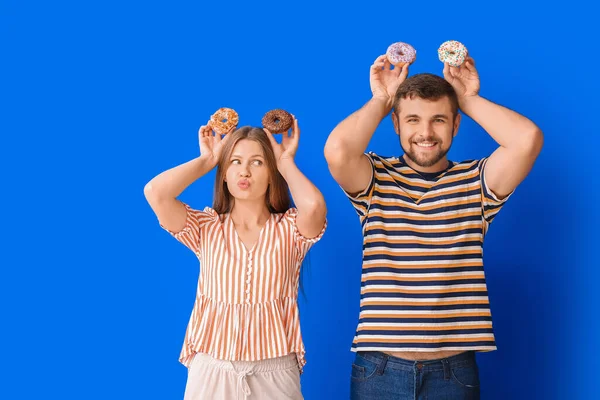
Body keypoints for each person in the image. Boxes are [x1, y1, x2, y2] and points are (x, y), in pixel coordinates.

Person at [324, 53, 543, 399]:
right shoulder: (375, 178)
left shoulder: (475, 182)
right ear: (396, 124)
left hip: (452, 374)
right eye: (412, 120)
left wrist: (468, 99)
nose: (425, 133)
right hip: (379, 370)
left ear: (455, 125)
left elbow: (527, 139)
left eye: (439, 120)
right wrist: (382, 99)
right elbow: (337, 151)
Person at [144, 116, 327, 400]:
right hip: (213, 369)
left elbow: (315, 207)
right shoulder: (205, 227)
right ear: (225, 174)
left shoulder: (290, 230)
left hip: (275, 370)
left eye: (257, 162)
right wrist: (208, 160)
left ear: (271, 173)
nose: (245, 172)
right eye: (235, 162)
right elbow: (156, 193)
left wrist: (286, 161)